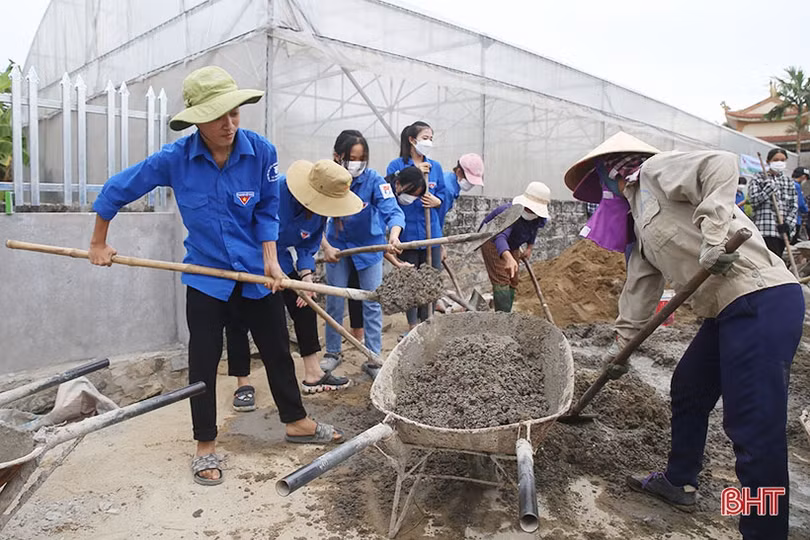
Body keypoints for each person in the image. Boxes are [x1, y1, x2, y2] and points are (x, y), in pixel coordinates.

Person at [87, 66, 344, 486]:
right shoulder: (175, 159)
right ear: (196, 119)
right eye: (217, 116)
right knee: (204, 362)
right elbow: (117, 189)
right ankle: (205, 444)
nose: (229, 124)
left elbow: (267, 209)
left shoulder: (261, 152)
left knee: (277, 349)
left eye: (234, 113)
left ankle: (296, 421)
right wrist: (99, 242)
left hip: (256, 274)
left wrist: (271, 261)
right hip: (206, 277)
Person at [565, 131, 802, 540]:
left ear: (610, 170)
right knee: (689, 388)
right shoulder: (639, 226)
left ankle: (764, 530)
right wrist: (621, 348)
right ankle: (679, 481)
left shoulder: (655, 171)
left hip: (761, 297)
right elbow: (639, 292)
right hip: (723, 311)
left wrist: (714, 237)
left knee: (753, 430)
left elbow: (721, 164)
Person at [225, 160, 362, 405]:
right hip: (245, 259)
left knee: (305, 305)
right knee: (240, 318)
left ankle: (313, 374)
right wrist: (267, 265)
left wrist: (306, 280)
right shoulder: (273, 192)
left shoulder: (321, 211)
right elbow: (245, 227)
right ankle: (243, 383)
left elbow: (307, 245)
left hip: (282, 261)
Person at [321, 130, 406, 379]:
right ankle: (333, 352)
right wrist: (325, 246)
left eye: (362, 158)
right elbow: (314, 217)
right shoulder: (328, 180)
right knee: (335, 300)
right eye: (352, 158)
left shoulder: (375, 181)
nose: (357, 164)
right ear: (337, 156)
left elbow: (393, 211)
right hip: (338, 247)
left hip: (369, 248)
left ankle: (373, 357)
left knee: (372, 301)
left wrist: (394, 235)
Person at [387, 122, 446, 331]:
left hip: (432, 233)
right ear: (412, 140)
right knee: (410, 280)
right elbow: (389, 195)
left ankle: (427, 322)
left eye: (431, 138)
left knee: (431, 280)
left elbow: (443, 197)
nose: (428, 142)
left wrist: (437, 201)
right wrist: (412, 172)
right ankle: (412, 326)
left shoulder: (435, 167)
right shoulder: (395, 166)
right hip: (408, 234)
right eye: (425, 138)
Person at [479, 182, 550, 313]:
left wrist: (529, 248)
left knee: (513, 279)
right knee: (502, 279)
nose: (530, 212)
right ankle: (503, 318)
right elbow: (500, 237)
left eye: (533, 210)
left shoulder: (538, 218)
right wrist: (508, 258)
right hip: (491, 239)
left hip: (512, 243)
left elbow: (534, 230)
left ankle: (508, 312)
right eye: (528, 209)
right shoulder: (509, 212)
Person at [747, 148, 797, 258]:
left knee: (777, 261)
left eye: (782, 160)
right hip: (763, 230)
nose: (779, 162)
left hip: (781, 232)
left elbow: (793, 206)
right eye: (776, 160)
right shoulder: (758, 178)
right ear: (768, 161)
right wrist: (769, 189)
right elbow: (753, 201)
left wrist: (787, 224)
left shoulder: (788, 182)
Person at [438, 153, 485, 229]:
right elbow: (437, 219)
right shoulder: (448, 190)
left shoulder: (448, 178)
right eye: (469, 180)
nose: (471, 184)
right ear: (459, 172)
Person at [792, 167, 809, 243]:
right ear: (803, 177)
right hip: (796, 219)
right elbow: (800, 204)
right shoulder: (797, 186)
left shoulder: (789, 183)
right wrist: (806, 209)